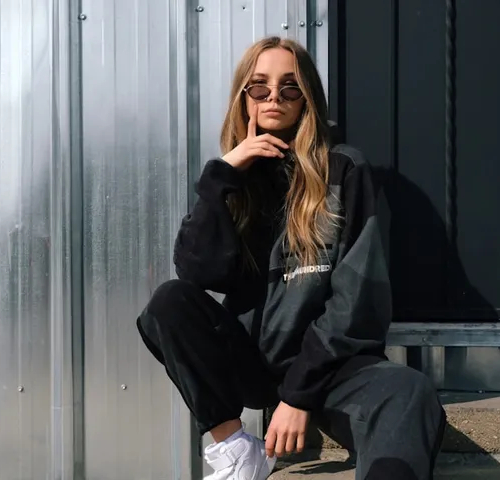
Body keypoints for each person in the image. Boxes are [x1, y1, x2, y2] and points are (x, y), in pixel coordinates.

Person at [137, 36, 446, 480]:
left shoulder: (343, 170)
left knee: (410, 391)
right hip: (252, 365)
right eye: (259, 87)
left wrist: (299, 395)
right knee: (168, 302)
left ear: (307, 100)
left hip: (332, 369)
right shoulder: (234, 180)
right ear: (244, 98)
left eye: (290, 87)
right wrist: (222, 177)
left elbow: (356, 298)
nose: (274, 97)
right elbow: (197, 271)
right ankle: (237, 449)